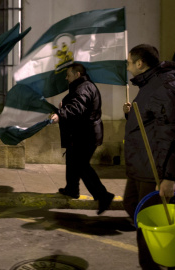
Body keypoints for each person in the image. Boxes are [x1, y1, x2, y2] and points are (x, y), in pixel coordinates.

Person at [122, 44, 175, 269]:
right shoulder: (151, 85)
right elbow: (150, 124)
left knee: (150, 222)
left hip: (155, 168)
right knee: (131, 204)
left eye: (129, 62)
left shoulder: (165, 88)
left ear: (140, 63)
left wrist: (169, 177)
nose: (128, 67)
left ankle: (158, 262)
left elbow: (171, 134)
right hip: (144, 164)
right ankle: (163, 256)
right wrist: (131, 116)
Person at [50, 63, 115, 215]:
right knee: (72, 160)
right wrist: (64, 106)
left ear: (77, 74)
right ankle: (72, 189)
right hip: (81, 133)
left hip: (86, 134)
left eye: (68, 74)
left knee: (81, 165)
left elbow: (77, 107)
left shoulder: (83, 87)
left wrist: (61, 114)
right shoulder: (82, 86)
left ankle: (103, 195)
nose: (66, 78)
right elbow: (77, 104)